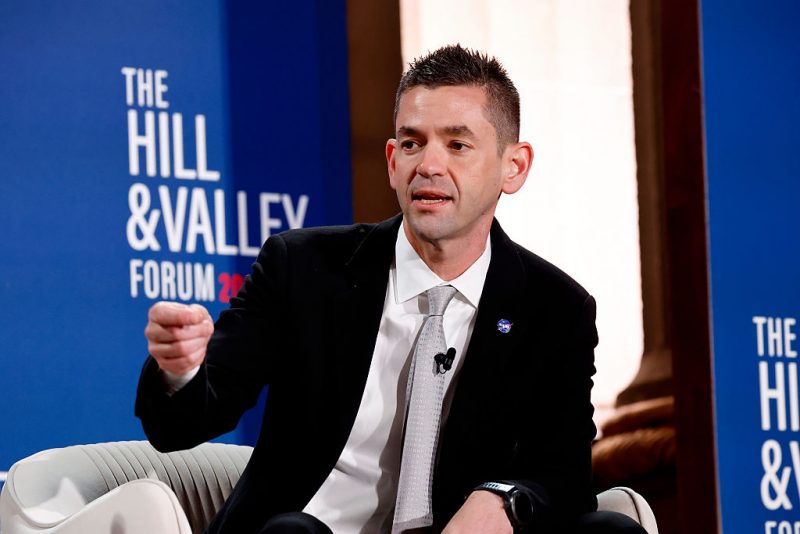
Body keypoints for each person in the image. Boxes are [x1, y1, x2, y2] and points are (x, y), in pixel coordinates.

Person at [136, 45, 646, 534]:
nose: (428, 165)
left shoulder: (555, 308)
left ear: (513, 167)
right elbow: (184, 423)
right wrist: (181, 370)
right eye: (411, 143)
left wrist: (502, 498)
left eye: (457, 145)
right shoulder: (303, 268)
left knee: (610, 529)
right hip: (310, 531)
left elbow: (565, 473)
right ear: (391, 162)